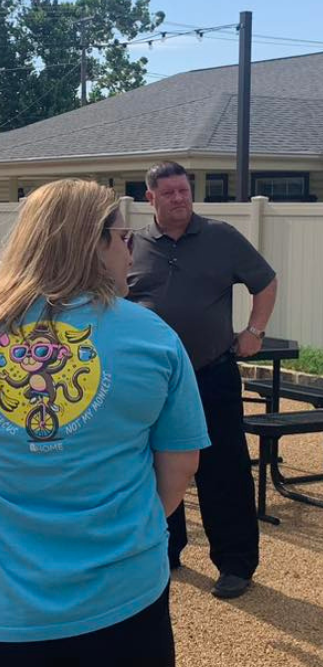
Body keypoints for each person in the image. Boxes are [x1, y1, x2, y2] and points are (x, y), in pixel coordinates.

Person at [0, 179, 208, 666]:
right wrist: (124, 525)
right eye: (122, 236)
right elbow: (179, 465)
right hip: (122, 597)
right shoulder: (152, 337)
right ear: (93, 243)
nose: (130, 249)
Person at [128, 161, 278, 599]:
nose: (179, 199)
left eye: (184, 191)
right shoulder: (132, 245)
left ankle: (235, 564)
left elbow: (265, 282)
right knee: (154, 464)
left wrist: (254, 332)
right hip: (152, 381)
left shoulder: (221, 237)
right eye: (169, 193)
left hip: (211, 374)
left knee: (224, 470)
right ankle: (166, 550)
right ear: (150, 198)